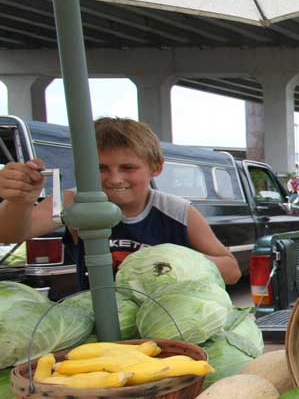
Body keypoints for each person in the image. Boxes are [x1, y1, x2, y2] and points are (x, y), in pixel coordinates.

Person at [0, 117, 240, 285]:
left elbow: (231, 271)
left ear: (156, 168)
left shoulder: (177, 211)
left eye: (128, 168)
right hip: (101, 325)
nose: (115, 178)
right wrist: (19, 201)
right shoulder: (75, 201)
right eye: (101, 168)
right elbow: (9, 235)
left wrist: (177, 258)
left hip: (167, 324)